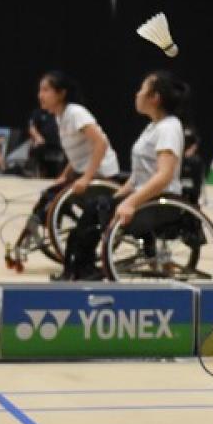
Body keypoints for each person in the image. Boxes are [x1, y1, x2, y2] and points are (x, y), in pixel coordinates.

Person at [59, 71, 188, 280]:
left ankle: (84, 270)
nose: (137, 94)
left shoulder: (169, 128)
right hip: (147, 198)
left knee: (97, 212)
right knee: (95, 208)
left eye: (142, 90)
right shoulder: (153, 127)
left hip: (160, 205)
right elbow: (140, 175)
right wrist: (120, 195)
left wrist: (130, 202)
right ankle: (78, 269)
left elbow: (164, 176)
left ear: (154, 97)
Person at [19, 72, 120, 249]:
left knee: (53, 196)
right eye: (39, 90)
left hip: (102, 174)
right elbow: (78, 154)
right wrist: (64, 175)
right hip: (85, 172)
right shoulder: (60, 116)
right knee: (50, 193)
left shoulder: (76, 113)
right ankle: (35, 227)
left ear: (61, 93)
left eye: (45, 90)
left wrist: (87, 177)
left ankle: (41, 225)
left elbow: (101, 143)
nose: (40, 95)